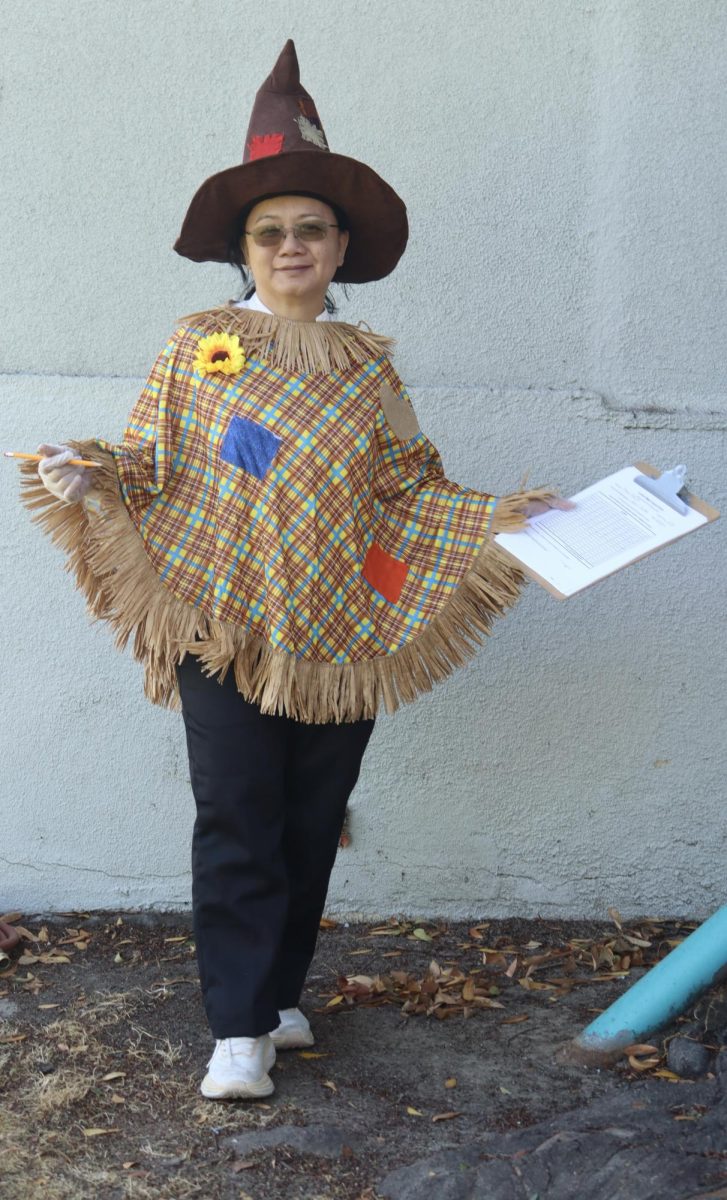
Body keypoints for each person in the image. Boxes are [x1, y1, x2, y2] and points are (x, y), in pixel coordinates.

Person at [22, 41, 567, 1101]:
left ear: (340, 245)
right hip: (219, 623)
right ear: (245, 250)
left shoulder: (369, 369)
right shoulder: (198, 346)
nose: (289, 245)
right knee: (235, 810)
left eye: (309, 228)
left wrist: (503, 513)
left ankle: (274, 997)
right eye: (268, 232)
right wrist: (82, 469)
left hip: (337, 634)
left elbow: (409, 488)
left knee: (311, 820)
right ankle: (234, 1030)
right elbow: (149, 458)